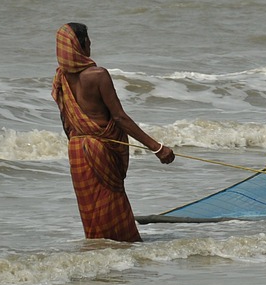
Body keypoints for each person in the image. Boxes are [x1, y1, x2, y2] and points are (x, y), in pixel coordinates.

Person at [52, 22, 175, 242]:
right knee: (113, 206)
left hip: (77, 150)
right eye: (88, 40)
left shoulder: (61, 78)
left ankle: (101, 256)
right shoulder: (97, 75)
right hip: (99, 150)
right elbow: (119, 117)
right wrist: (157, 148)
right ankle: (121, 251)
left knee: (91, 211)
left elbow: (67, 122)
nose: (90, 44)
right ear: (79, 45)